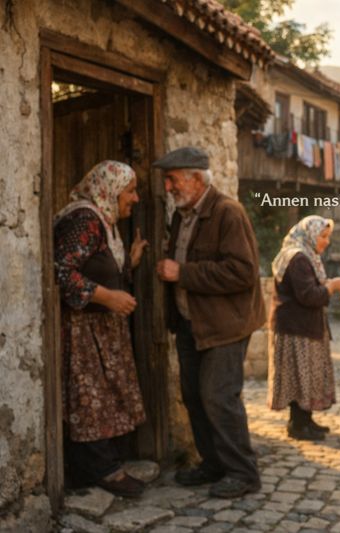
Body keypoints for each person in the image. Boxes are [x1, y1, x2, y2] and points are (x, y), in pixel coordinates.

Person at [154, 147, 266, 499]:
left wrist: (182, 273)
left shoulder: (227, 212)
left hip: (225, 326)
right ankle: (213, 464)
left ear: (196, 179)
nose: (168, 187)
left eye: (172, 179)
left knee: (218, 397)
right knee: (193, 396)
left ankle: (243, 472)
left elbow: (243, 273)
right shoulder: (181, 216)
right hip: (191, 324)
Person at [54, 160, 149, 498]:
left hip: (102, 329)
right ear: (110, 191)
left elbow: (97, 268)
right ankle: (97, 470)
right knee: (89, 400)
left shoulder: (104, 222)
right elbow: (62, 271)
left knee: (105, 396)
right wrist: (108, 297)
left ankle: (106, 464)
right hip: (83, 330)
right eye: (131, 191)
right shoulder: (84, 219)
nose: (135, 198)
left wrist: (129, 264)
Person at [269, 216, 340, 441]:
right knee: (299, 375)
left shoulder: (307, 256)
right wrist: (332, 286)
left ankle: (305, 420)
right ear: (310, 234)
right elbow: (308, 295)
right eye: (323, 236)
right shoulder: (298, 258)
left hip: (303, 326)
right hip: (296, 328)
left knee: (306, 375)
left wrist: (327, 285)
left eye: (327, 237)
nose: (325, 242)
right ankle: (297, 424)